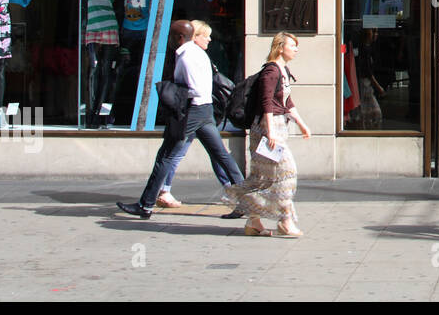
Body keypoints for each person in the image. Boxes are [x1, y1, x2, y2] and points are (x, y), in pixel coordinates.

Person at [116, 20, 245, 219]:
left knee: (165, 157)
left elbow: (194, 89)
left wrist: (173, 92)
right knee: (222, 156)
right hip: (205, 111)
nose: (169, 40)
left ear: (179, 37)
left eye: (171, 36)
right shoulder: (199, 53)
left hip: (192, 111)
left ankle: (145, 205)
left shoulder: (186, 56)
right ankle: (245, 202)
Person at [221, 32, 312, 237]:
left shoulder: (283, 70)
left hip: (277, 128)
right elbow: (267, 102)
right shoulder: (271, 71)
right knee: (287, 174)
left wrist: (302, 124)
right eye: (292, 45)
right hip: (266, 129)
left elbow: (286, 103)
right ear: (280, 47)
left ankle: (253, 222)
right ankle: (285, 221)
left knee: (264, 178)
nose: (296, 49)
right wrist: (270, 132)